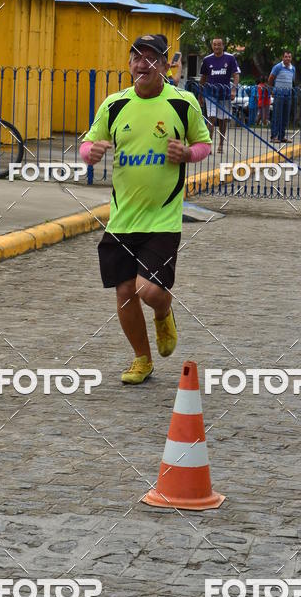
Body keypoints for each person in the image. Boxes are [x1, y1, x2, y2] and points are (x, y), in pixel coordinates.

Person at [80, 34, 212, 384]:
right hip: (123, 216)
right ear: (129, 64)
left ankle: (164, 310)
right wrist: (90, 153)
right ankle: (142, 359)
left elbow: (204, 145)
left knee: (148, 290)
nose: (143, 64)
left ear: (166, 65)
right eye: (137, 57)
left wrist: (187, 154)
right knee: (124, 293)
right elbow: (88, 143)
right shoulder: (114, 104)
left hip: (163, 216)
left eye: (152, 58)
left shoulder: (184, 104)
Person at [199, 37, 240, 154]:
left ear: (223, 46)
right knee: (211, 118)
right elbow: (203, 77)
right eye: (215, 45)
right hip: (211, 92)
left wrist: (233, 90)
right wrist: (200, 94)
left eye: (219, 45)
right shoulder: (207, 60)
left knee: (223, 120)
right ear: (212, 46)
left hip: (225, 93)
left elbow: (236, 75)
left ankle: (221, 144)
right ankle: (208, 145)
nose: (217, 47)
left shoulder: (230, 58)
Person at [268, 50, 296, 142]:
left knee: (285, 116)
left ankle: (282, 136)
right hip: (279, 94)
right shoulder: (278, 67)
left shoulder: (293, 68)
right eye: (286, 57)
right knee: (277, 115)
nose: (287, 58)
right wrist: (272, 89)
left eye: (289, 57)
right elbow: (271, 78)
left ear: (291, 58)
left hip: (288, 94)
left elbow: (292, 80)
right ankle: (274, 136)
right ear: (282, 58)